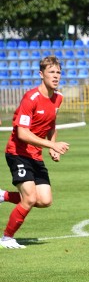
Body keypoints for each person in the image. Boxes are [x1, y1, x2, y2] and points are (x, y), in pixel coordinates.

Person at [0, 55, 70, 249]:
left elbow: (51, 124)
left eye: (58, 73)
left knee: (45, 200)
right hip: (17, 152)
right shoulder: (30, 98)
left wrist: (52, 145)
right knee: (30, 198)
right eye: (51, 72)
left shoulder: (59, 98)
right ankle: (6, 238)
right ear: (41, 74)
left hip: (35, 155)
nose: (56, 76)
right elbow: (22, 133)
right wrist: (51, 145)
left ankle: (4, 196)